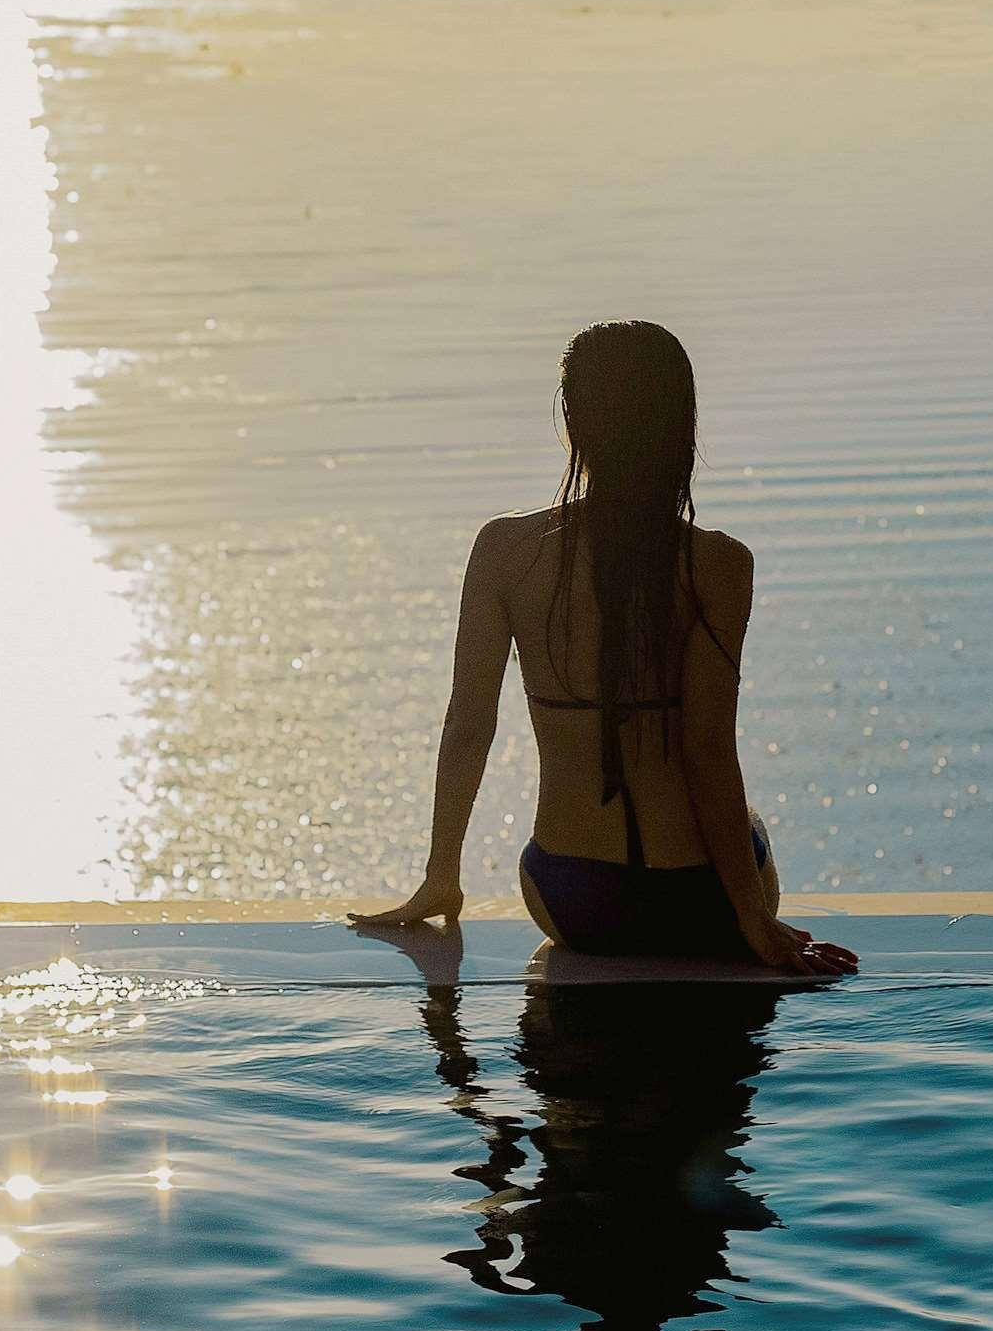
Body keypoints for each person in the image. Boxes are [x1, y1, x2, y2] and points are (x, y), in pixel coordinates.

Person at [353, 321, 858, 975]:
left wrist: (440, 876)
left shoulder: (505, 553)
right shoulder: (718, 565)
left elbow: (469, 723)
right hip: (702, 898)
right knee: (751, 816)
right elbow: (707, 749)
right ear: (683, 425)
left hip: (572, 899)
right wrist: (753, 919)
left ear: (572, 421)